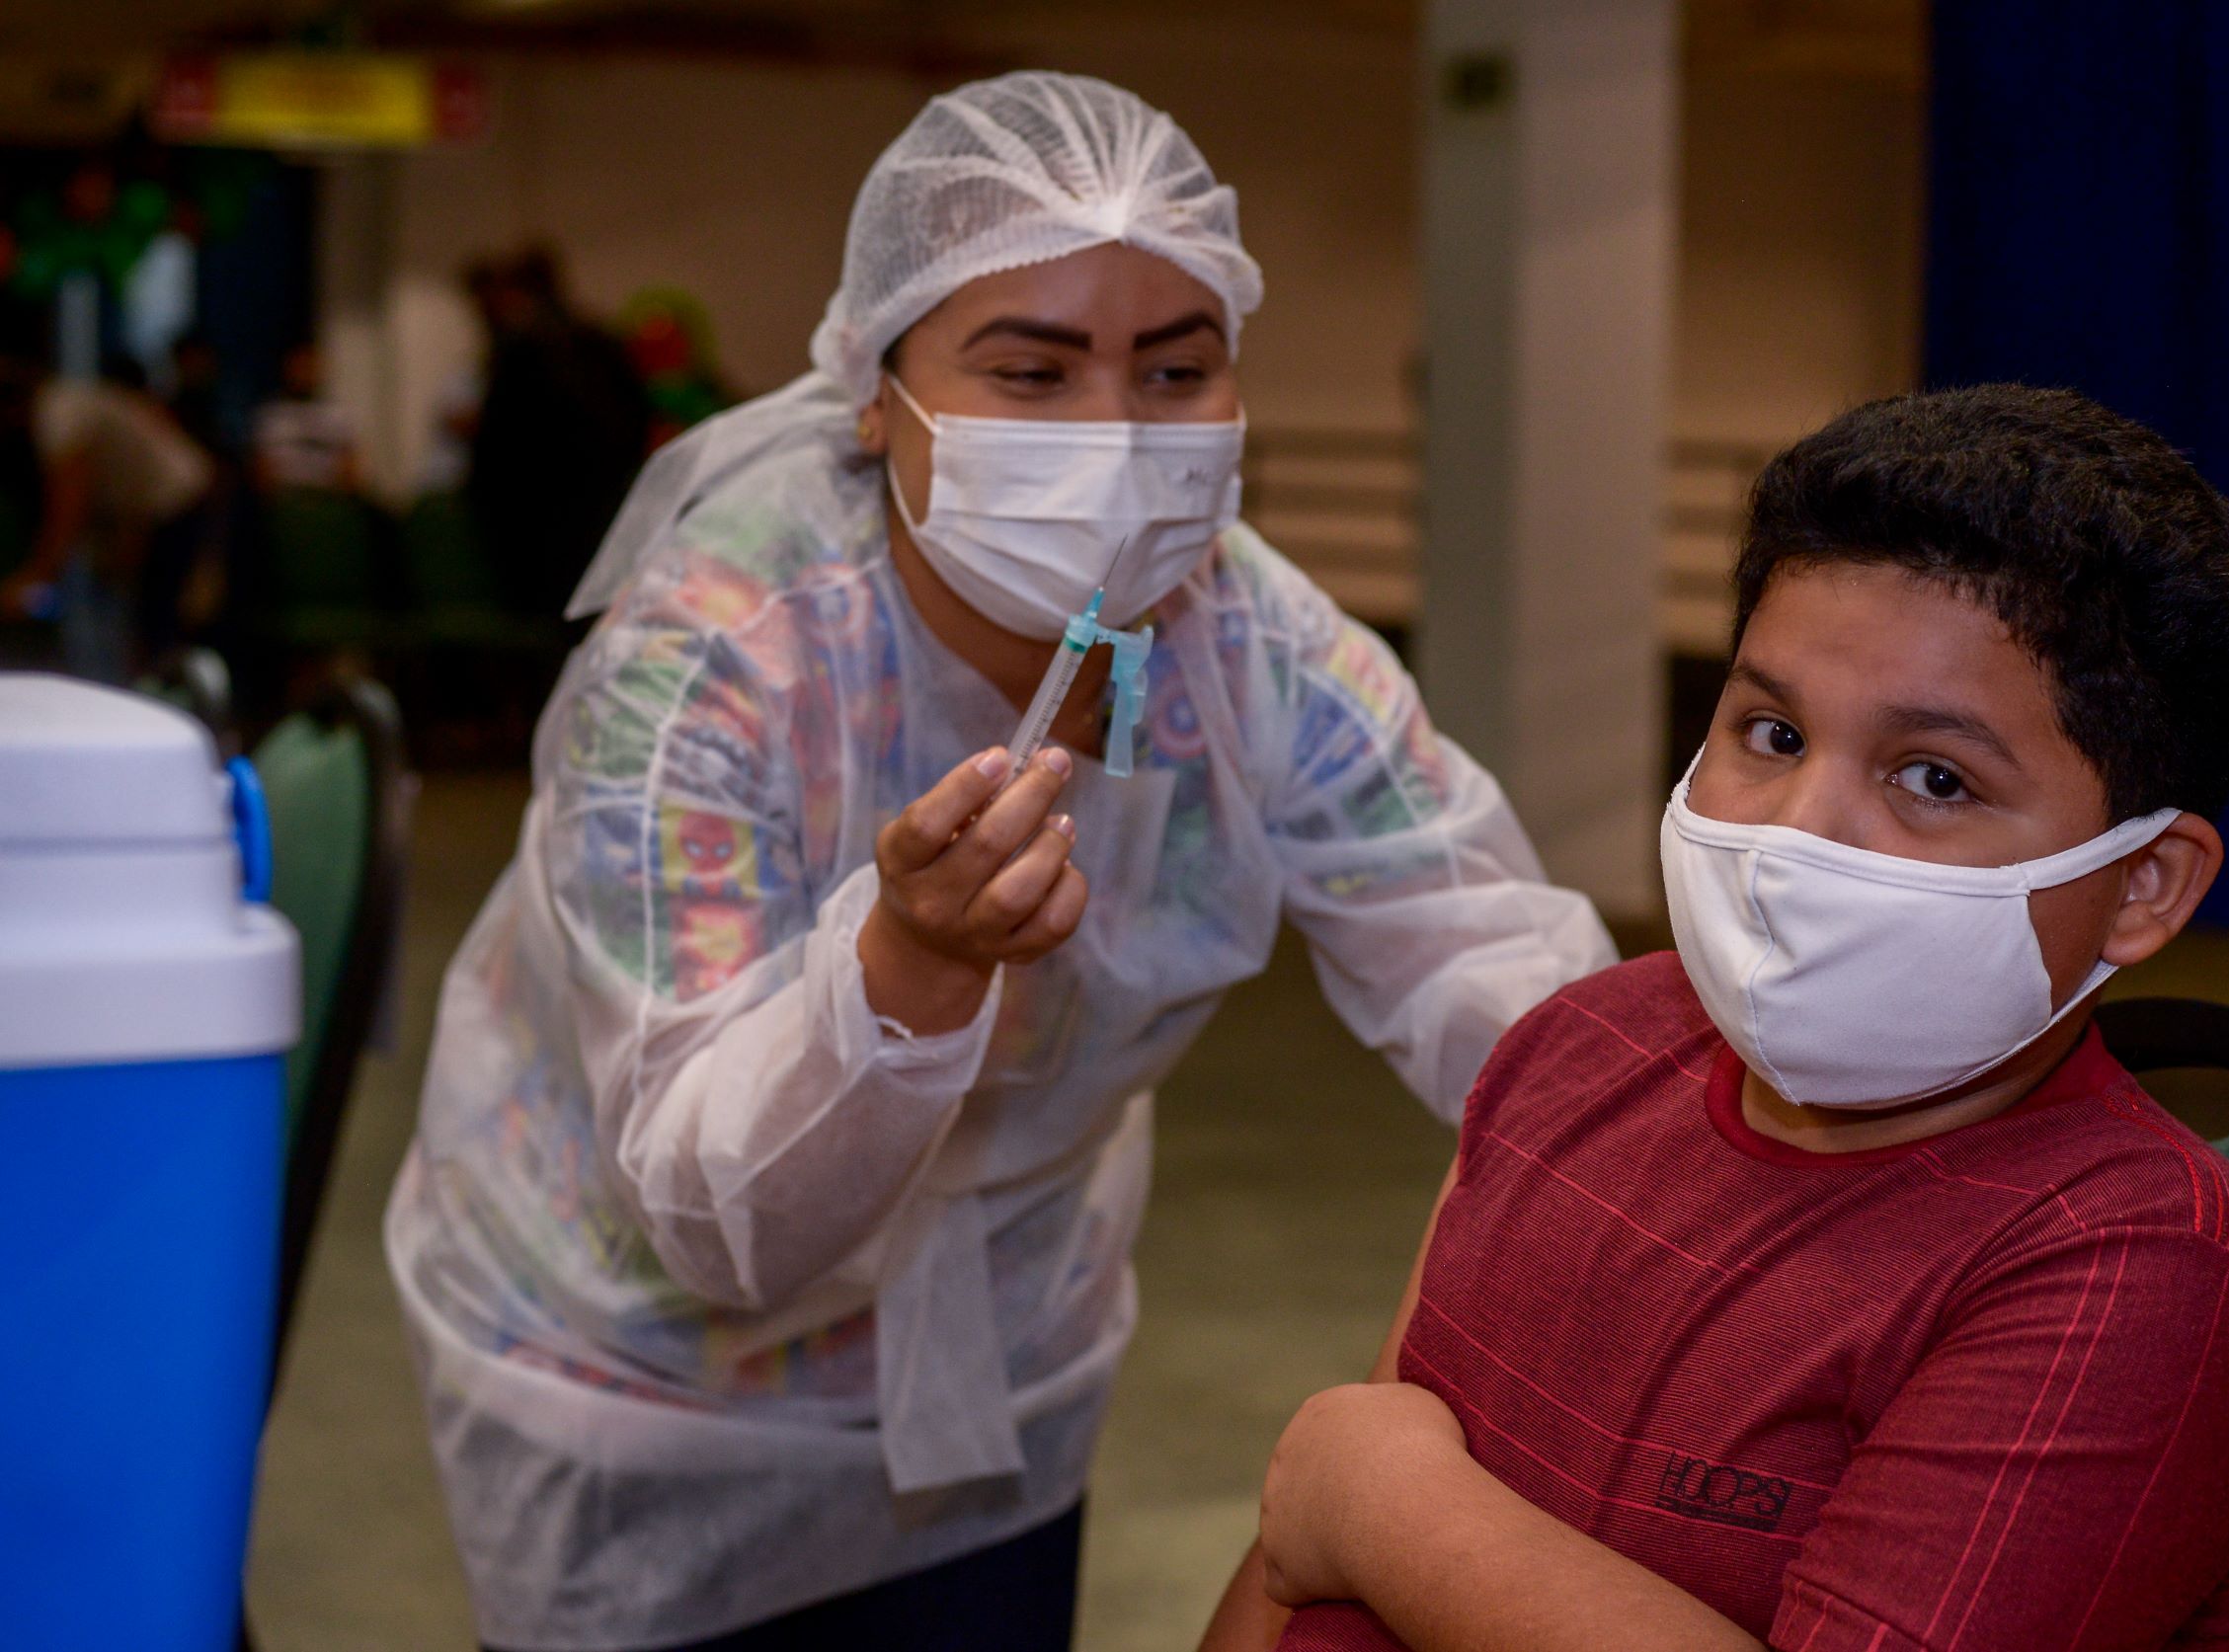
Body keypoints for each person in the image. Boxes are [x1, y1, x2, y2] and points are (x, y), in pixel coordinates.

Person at [386, 71, 1615, 1652]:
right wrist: (908, 965)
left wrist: (1686, 1130)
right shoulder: (714, 661)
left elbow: (1481, 949)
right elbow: (707, 1206)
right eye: (1030, 372)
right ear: (873, 391)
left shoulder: (1247, 644)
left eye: (1176, 369)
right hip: (654, 1402)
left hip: (1007, 1373)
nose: (1114, 435)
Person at [1207, 385, 2229, 1652]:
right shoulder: (1584, 1046)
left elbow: (1346, 1482)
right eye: (1771, 732)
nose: (1794, 831)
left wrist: (1395, 1511)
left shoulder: (2132, 1271)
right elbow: (1296, 1553)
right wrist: (1350, 1497)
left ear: (2143, 882)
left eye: (1933, 776)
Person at [0, 340, 212, 680]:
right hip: (146, 507)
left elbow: (69, 509)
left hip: (176, 498)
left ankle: (158, 695)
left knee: (153, 623)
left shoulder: (58, 413)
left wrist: (34, 579)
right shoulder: (63, 401)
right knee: (134, 618)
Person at [464, 245, 652, 622]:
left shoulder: (522, 346)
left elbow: (497, 441)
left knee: (547, 626)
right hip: (606, 504)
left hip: (538, 516)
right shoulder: (598, 337)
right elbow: (639, 413)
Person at [250, 341, 362, 496]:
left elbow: (349, 461)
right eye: (298, 367)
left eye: (309, 367)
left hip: (328, 495)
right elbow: (261, 466)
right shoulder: (272, 415)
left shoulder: (336, 414)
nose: (303, 374)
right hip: (286, 495)